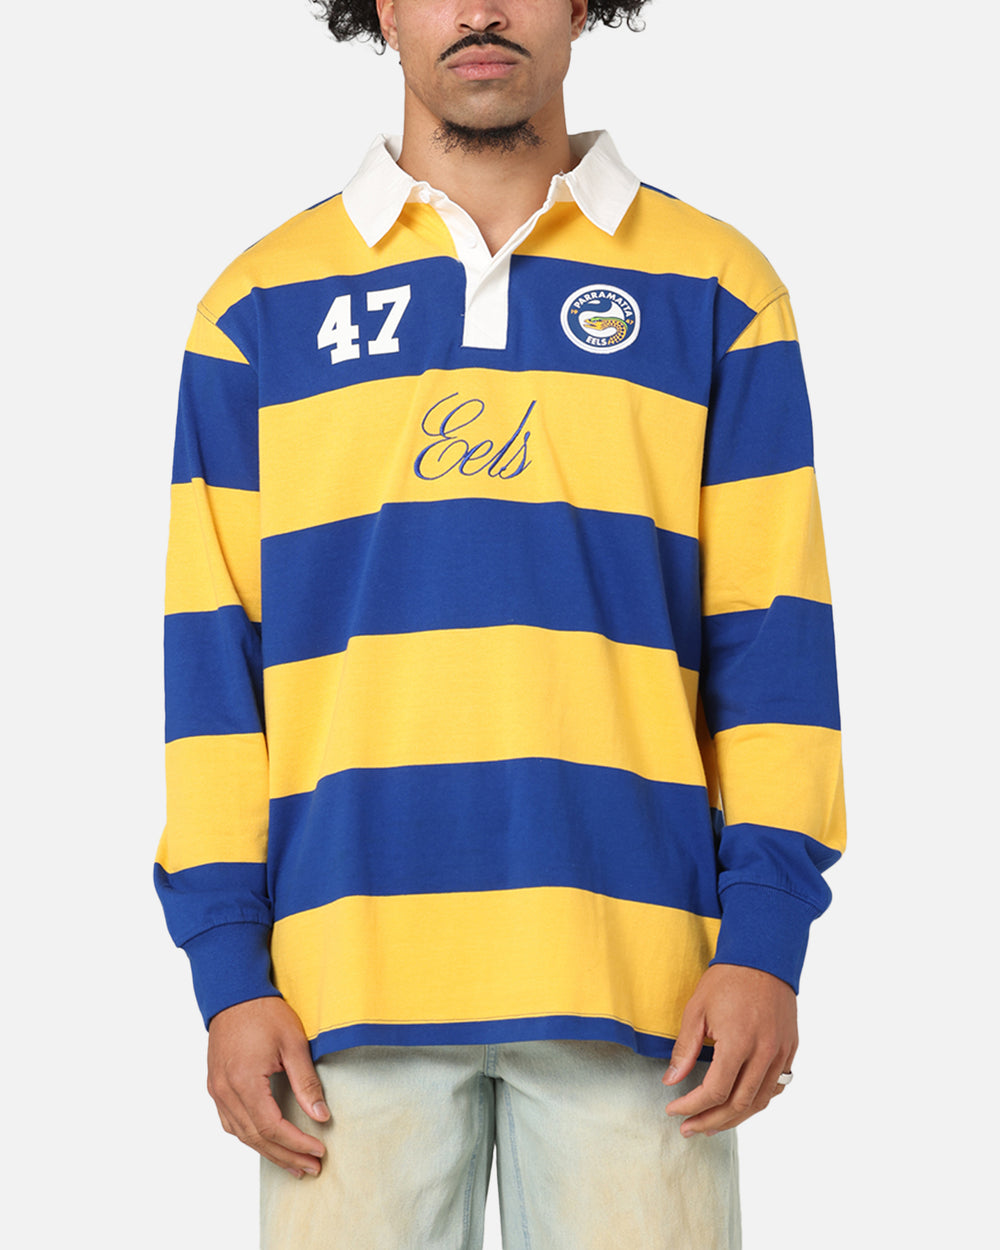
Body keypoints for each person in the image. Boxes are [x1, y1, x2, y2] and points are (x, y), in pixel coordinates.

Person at [155, 1, 845, 1245]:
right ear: (379, 7)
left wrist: (764, 939)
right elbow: (213, 665)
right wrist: (225, 967)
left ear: (583, 4)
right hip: (334, 993)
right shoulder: (257, 307)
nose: (479, 9)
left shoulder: (717, 289)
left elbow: (775, 641)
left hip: (645, 986)